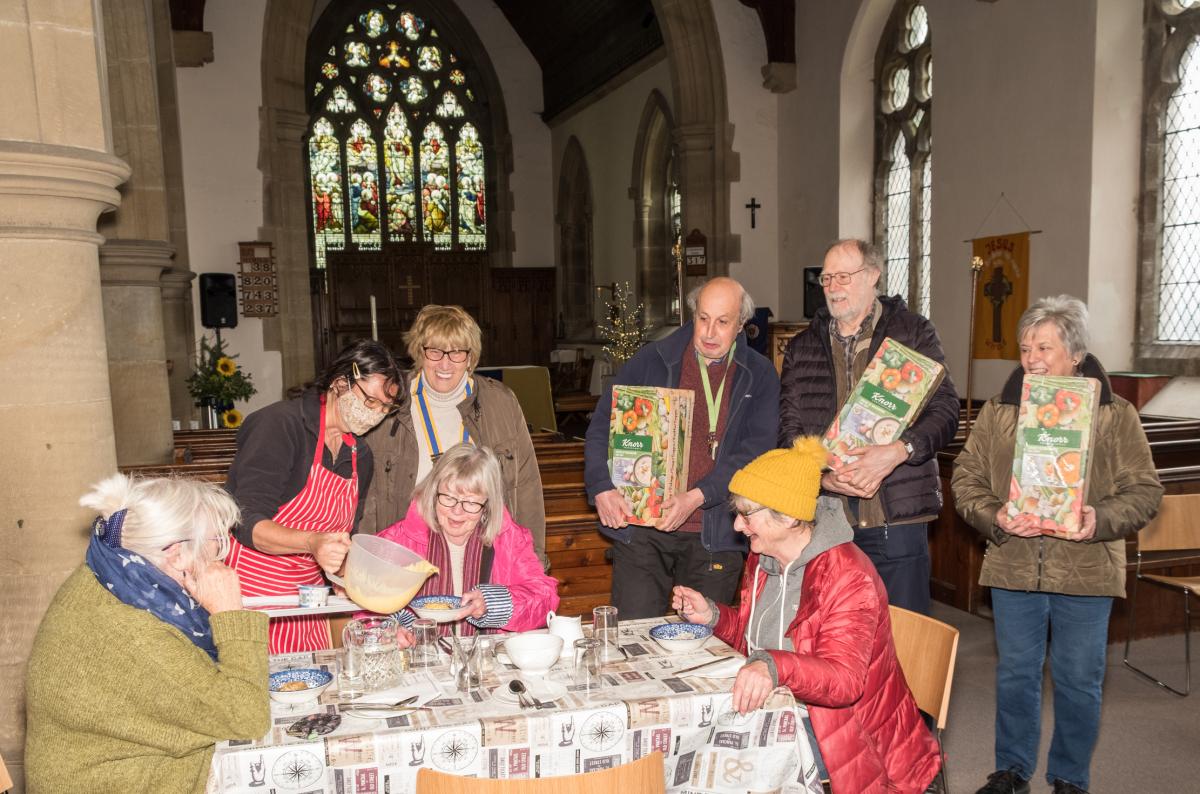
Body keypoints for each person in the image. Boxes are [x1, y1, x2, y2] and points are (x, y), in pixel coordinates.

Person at [951, 295, 1163, 794]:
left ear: (1076, 354)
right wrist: (995, 515)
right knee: (1016, 677)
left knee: (1077, 682)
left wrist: (1100, 518)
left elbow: (1146, 491)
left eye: (1044, 347)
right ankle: (1012, 769)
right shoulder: (1001, 411)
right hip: (1013, 564)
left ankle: (1070, 776)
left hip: (1085, 568)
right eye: (1026, 348)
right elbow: (966, 478)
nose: (1032, 359)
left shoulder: (1116, 416)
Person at [672, 438, 941, 794]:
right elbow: (757, 643)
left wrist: (774, 667)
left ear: (788, 516)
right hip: (789, 710)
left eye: (747, 514)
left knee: (712, 769)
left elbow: (845, 681)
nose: (737, 526)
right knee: (681, 745)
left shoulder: (846, 575)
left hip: (846, 733)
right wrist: (713, 616)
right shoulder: (764, 558)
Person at [26, 475, 269, 793]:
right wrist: (231, 615)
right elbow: (247, 717)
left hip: (127, 761)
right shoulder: (136, 633)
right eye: (217, 543)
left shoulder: (112, 573)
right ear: (177, 554)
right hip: (121, 780)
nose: (222, 557)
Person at [779, 239, 959, 615]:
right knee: (836, 645)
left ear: (874, 275)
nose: (833, 287)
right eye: (826, 279)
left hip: (895, 517)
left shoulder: (912, 332)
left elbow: (945, 410)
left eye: (844, 276)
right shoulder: (802, 347)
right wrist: (822, 480)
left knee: (905, 644)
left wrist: (898, 452)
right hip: (827, 523)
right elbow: (789, 434)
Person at [584, 277, 780, 619]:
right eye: (703, 318)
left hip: (716, 532)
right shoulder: (652, 360)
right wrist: (601, 486)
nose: (709, 332)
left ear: (741, 325)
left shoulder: (759, 375)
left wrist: (697, 496)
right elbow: (603, 425)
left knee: (701, 646)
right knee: (634, 640)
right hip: (643, 533)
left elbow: (754, 454)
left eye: (722, 322)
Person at [224, 339, 402, 652]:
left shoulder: (361, 456)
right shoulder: (279, 425)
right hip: (253, 594)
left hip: (309, 601)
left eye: (386, 409)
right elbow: (245, 521)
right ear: (340, 383)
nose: (376, 414)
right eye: (370, 401)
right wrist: (311, 542)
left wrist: (352, 577)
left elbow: (345, 536)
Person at [361, 304, 548, 568]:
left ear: (470, 358)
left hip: (484, 552)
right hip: (406, 553)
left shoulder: (501, 402)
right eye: (435, 351)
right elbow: (366, 492)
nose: (445, 363)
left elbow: (527, 485)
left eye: (457, 352)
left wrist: (533, 561)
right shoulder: (391, 402)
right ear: (419, 352)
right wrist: (366, 562)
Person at [379, 443, 558, 635]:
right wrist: (392, 630)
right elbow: (366, 608)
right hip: (418, 659)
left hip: (487, 661)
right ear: (433, 492)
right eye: (448, 497)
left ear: (488, 504)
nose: (457, 511)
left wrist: (491, 604)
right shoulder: (398, 539)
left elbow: (545, 600)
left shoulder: (509, 538)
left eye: (471, 502)